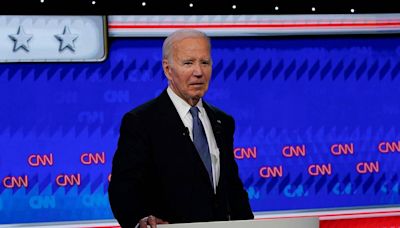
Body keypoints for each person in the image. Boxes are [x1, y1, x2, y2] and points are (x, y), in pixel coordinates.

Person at [108, 29, 254, 228]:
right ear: (168, 70)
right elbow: (123, 187)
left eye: (205, 62)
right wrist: (139, 219)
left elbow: (232, 189)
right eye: (188, 63)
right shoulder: (141, 121)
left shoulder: (223, 121)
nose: (199, 72)